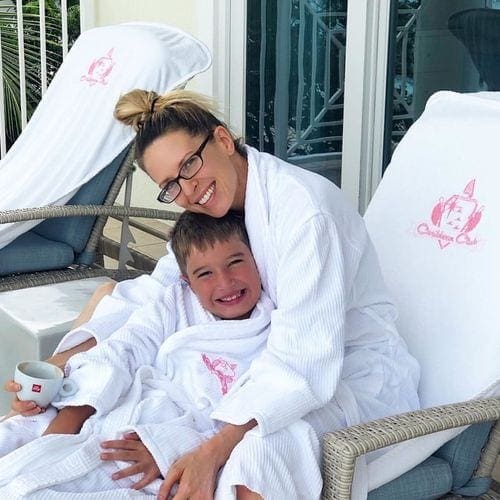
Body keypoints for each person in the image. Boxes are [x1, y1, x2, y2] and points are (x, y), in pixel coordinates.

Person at [4, 88, 420, 499]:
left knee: (265, 446)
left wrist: (208, 451)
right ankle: (46, 458)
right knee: (108, 356)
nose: (187, 190)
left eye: (190, 164)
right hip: (265, 361)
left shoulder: (305, 215)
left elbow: (303, 363)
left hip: (348, 371)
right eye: (170, 185)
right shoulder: (211, 212)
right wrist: (62, 363)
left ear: (222, 140)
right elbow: (155, 293)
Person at [0, 211, 321, 499]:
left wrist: (165, 448)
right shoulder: (175, 303)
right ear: (187, 282)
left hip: (168, 446)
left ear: (257, 260)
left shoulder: (277, 334)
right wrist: (67, 420)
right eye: (205, 274)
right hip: (120, 419)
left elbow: (249, 415)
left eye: (235, 262)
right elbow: (125, 346)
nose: (225, 283)